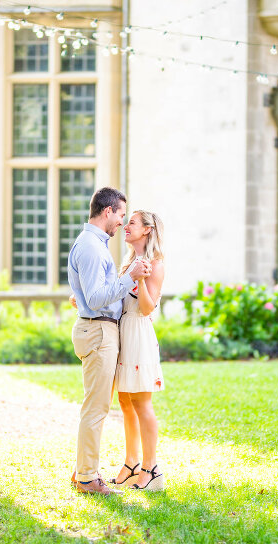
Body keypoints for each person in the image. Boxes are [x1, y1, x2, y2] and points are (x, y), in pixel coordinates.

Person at [67, 187, 151, 496]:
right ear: (107, 212)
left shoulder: (93, 244)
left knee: (95, 405)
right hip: (98, 332)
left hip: (99, 330)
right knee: (96, 408)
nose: (122, 222)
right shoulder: (91, 246)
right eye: (120, 215)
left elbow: (91, 292)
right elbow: (98, 296)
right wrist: (130, 276)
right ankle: (88, 477)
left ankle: (83, 470)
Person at [109, 210, 166, 492]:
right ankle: (131, 462)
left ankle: (151, 468)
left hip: (139, 335)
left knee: (142, 404)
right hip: (123, 332)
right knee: (124, 401)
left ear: (147, 229)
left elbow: (146, 308)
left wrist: (141, 280)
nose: (125, 226)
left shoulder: (155, 265)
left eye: (131, 222)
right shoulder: (128, 262)